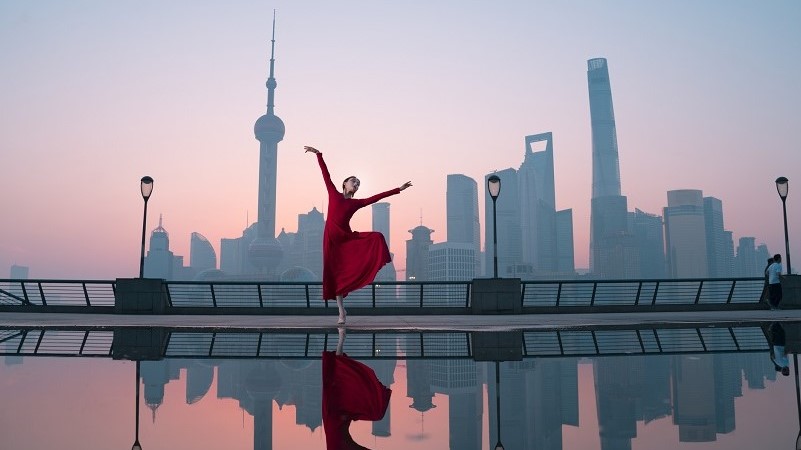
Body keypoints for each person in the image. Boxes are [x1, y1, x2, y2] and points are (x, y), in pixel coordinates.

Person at [305, 145, 412, 324]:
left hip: (346, 239)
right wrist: (318, 154)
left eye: (358, 183)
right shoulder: (333, 193)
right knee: (333, 274)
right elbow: (326, 174)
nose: (356, 183)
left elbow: (376, 198)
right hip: (331, 241)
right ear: (345, 184)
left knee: (377, 236)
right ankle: (341, 312)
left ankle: (347, 301)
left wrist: (398, 189)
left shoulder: (356, 203)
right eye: (353, 180)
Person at [322, 327, 392, 449]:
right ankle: (341, 338)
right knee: (338, 374)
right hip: (338, 418)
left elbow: (352, 446)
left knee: (339, 375)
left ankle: (341, 338)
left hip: (337, 416)